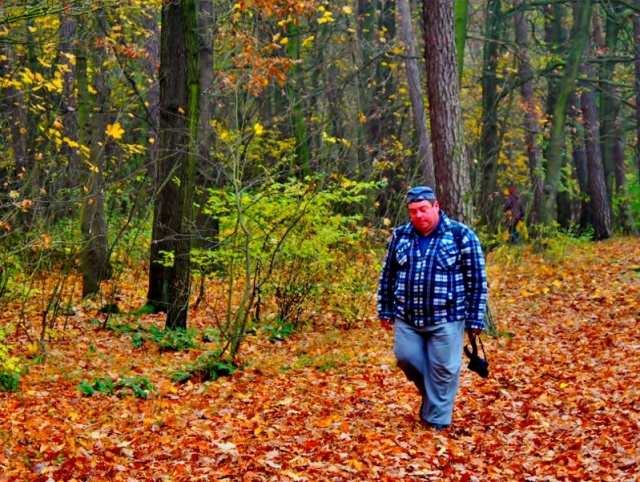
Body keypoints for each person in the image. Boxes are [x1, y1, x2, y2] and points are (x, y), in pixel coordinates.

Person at [377, 186, 487, 431]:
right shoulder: (401, 236)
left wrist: (476, 318)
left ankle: (436, 421)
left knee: (444, 369)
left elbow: (477, 279)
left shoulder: (461, 235)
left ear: (436, 206)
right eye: (413, 211)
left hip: (447, 316)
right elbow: (388, 275)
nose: (418, 216)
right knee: (406, 358)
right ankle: (433, 401)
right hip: (407, 316)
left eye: (423, 209)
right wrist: (384, 308)